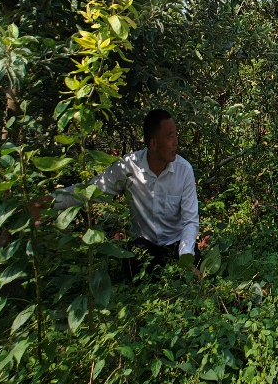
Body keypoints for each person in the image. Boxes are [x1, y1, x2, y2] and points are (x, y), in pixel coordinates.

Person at [51, 109, 200, 279]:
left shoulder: (184, 170)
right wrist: (51, 201)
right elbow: (93, 190)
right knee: (133, 265)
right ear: (154, 144)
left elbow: (190, 220)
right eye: (170, 136)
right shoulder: (129, 167)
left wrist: (185, 256)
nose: (175, 142)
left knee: (194, 267)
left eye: (175, 135)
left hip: (175, 243)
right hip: (145, 244)